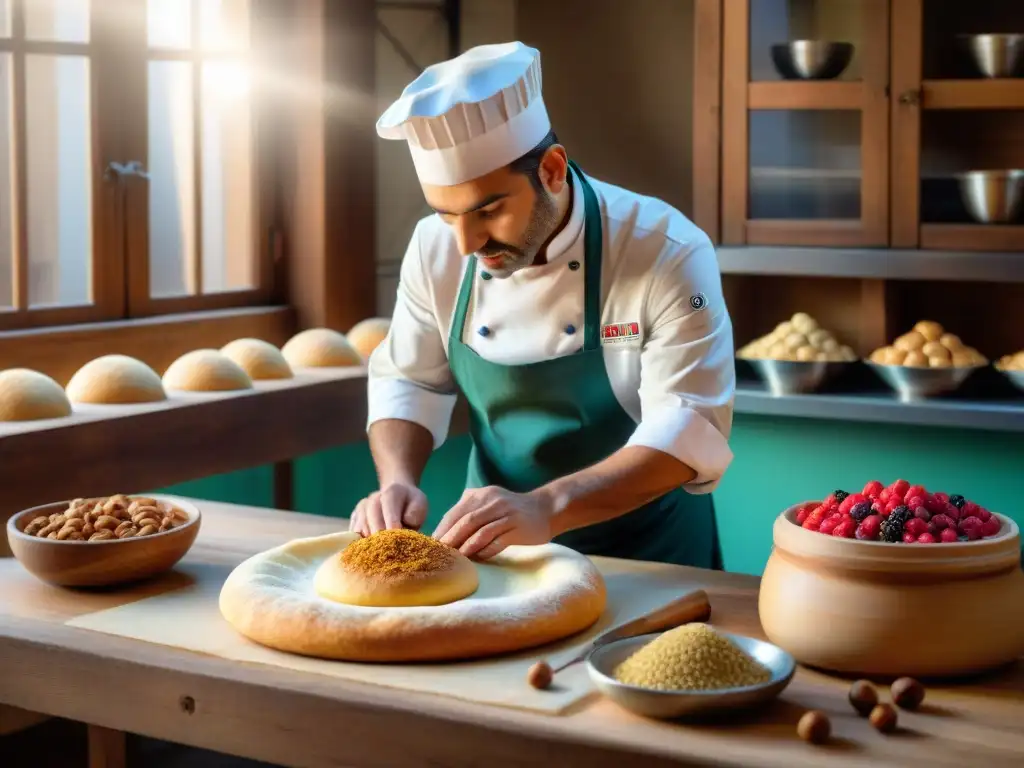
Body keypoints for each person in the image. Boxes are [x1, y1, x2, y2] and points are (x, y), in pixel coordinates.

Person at [349, 41, 735, 566]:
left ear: (552, 170)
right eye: (446, 214)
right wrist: (396, 481)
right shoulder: (434, 247)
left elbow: (689, 426)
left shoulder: (667, 250)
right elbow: (410, 379)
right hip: (495, 551)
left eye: (488, 212)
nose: (465, 243)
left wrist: (546, 506)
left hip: (648, 554)